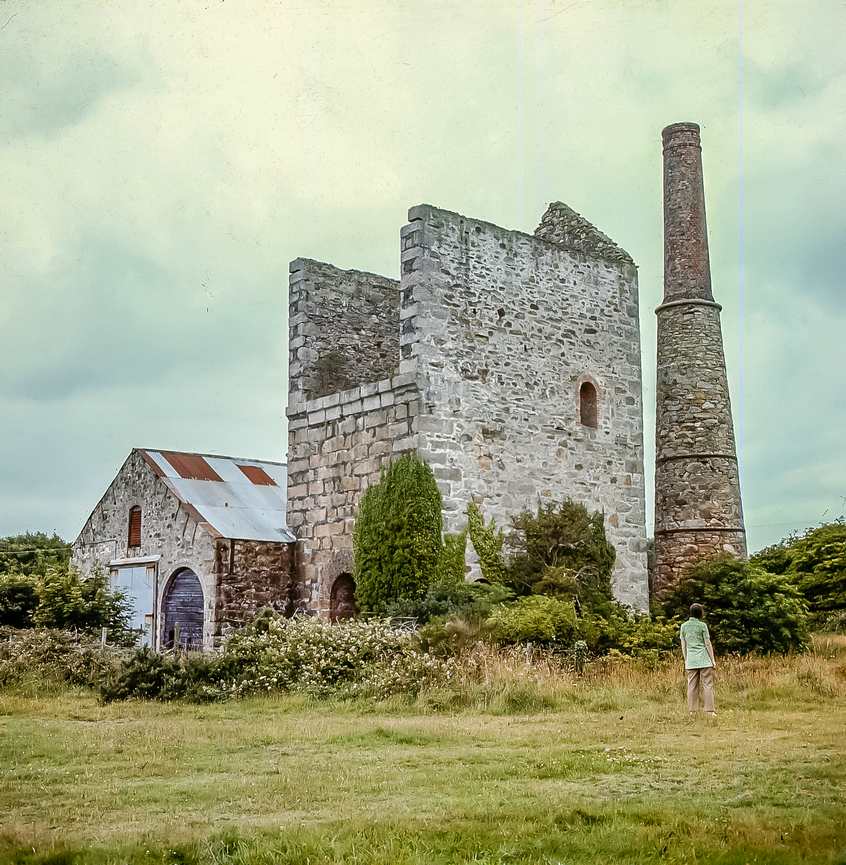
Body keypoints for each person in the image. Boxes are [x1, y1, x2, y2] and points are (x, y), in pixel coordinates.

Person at [680, 603, 716, 715]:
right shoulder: (702, 626)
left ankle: (692, 711)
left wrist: (686, 659)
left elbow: (683, 645)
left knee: (691, 686)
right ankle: (709, 711)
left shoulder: (684, 626)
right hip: (704, 659)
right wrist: (713, 660)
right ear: (700, 613)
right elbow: (707, 643)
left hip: (691, 660)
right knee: (708, 685)